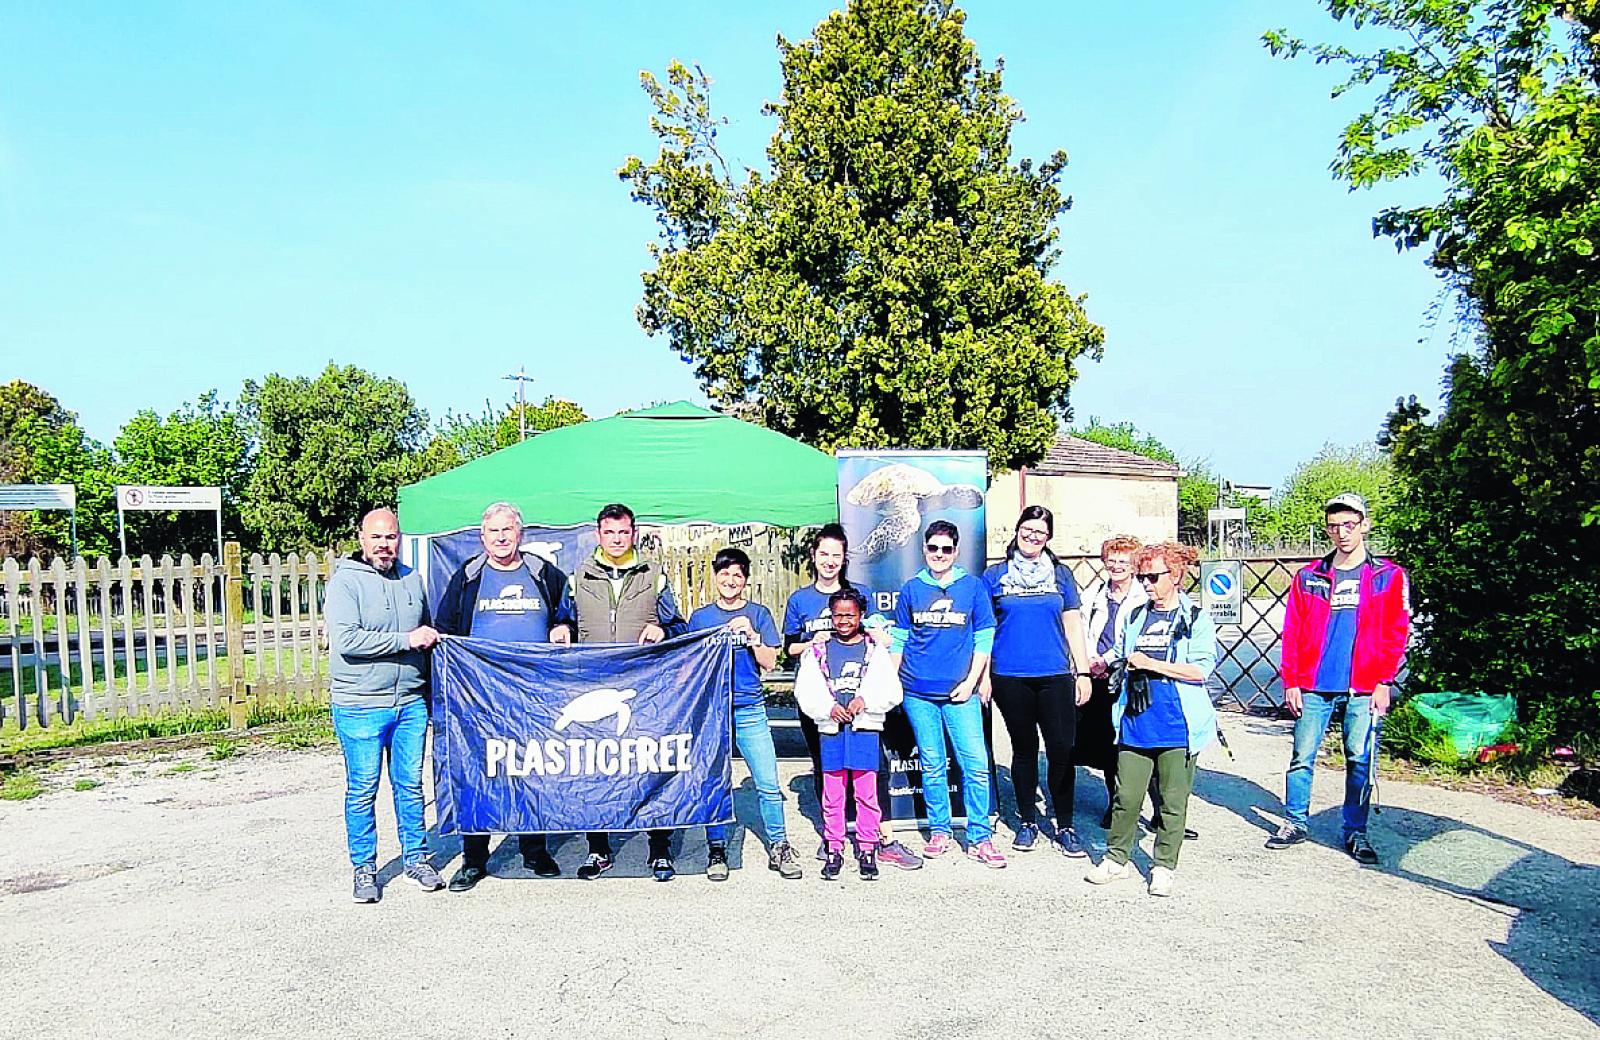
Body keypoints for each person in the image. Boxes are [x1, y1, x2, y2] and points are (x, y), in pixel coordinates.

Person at [434, 501, 575, 891]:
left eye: (507, 530)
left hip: (533, 693)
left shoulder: (543, 573)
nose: (500, 537)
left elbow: (567, 615)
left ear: (520, 534)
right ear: (483, 537)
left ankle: (535, 850)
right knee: (479, 771)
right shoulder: (467, 576)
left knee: (533, 770)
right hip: (480, 696)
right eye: (493, 531)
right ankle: (474, 858)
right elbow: (445, 630)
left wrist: (563, 626)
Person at [1267, 492, 1410, 865]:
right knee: (1302, 756)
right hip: (1315, 684)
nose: (1342, 533)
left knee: (1360, 760)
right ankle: (1295, 822)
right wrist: (1291, 681)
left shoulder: (1387, 576)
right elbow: (1293, 629)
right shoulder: (1309, 575)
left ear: (1364, 525)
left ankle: (1355, 831)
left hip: (1363, 686)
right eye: (1334, 526)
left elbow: (1397, 632)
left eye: (1349, 525)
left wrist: (1384, 681)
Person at [780, 522, 923, 871]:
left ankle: (877, 839)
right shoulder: (800, 600)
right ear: (814, 556)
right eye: (824, 553)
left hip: (862, 712)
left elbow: (877, 640)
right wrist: (812, 646)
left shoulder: (859, 594)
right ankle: (834, 839)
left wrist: (866, 697)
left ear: (844, 559)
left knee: (872, 773)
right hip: (822, 704)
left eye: (836, 555)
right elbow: (789, 648)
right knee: (827, 772)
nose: (830, 560)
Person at [324, 507, 444, 903]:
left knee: (409, 786)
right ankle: (364, 868)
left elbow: (428, 636)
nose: (384, 545)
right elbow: (348, 641)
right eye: (376, 537)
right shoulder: (345, 583)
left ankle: (417, 858)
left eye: (390, 537)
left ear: (399, 539)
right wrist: (405, 640)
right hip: (360, 704)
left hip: (409, 703)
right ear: (361, 538)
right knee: (362, 789)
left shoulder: (412, 579)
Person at [1085, 541, 1216, 897]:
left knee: (1172, 803)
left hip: (1177, 722)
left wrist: (1153, 664)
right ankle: (1116, 859)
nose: (1145, 583)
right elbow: (1124, 653)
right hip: (1135, 719)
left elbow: (1202, 669)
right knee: (1126, 797)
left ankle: (1163, 866)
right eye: (1142, 576)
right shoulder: (1136, 615)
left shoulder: (1194, 617)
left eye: (1153, 577)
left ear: (1174, 576)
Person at [565, 503, 687, 881]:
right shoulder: (578, 576)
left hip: (644, 688)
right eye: (610, 532)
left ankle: (659, 848)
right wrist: (560, 627)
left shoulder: (654, 575)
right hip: (591, 686)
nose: (617, 539)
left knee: (649, 766)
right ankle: (598, 849)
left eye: (624, 532)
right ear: (598, 534)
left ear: (633, 533)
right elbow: (563, 619)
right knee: (594, 768)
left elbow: (679, 625)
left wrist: (663, 631)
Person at [981, 506, 1094, 856]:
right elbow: (984, 631)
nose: (1032, 536)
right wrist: (984, 676)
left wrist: (1084, 671)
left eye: (1040, 532)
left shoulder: (1060, 575)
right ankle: (1028, 821)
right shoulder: (995, 575)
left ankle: (1065, 824)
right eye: (1027, 529)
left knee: (1061, 750)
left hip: (1056, 675)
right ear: (1016, 531)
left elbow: (1073, 623)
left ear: (1048, 538)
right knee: (1024, 749)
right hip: (1010, 676)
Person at [890, 520, 1004, 868]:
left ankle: (980, 836)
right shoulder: (911, 589)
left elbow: (984, 637)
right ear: (924, 550)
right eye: (933, 548)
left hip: (961, 692)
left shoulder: (972, 587)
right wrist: (892, 683)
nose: (939, 555)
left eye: (946, 549)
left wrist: (972, 681)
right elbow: (899, 640)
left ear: (956, 551)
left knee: (976, 766)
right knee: (933, 765)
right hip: (918, 692)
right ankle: (940, 831)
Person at [687, 548, 801, 881]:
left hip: (750, 708)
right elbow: (688, 665)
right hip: (713, 711)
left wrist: (751, 636)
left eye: (737, 575)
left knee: (767, 782)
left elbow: (769, 662)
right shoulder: (701, 618)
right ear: (716, 577)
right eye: (725, 574)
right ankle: (717, 848)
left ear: (745, 580)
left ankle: (779, 845)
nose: (730, 580)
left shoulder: (759, 613)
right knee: (714, 783)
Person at [793, 588, 904, 881]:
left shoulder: (873, 650)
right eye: (838, 615)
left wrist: (864, 701)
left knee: (867, 793)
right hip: (831, 731)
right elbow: (805, 690)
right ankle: (834, 847)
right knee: (833, 794)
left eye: (850, 615)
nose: (843, 620)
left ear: (861, 616)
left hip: (864, 730)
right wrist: (827, 708)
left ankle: (868, 847)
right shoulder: (818, 651)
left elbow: (892, 690)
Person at [1079, 535, 1145, 828]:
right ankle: (1116, 804)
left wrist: (1106, 659)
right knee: (1107, 745)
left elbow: (1136, 637)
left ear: (1134, 566)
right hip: (1097, 677)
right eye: (1112, 560)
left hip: (1130, 676)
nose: (1117, 566)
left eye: (1124, 561)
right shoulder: (1093, 594)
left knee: (1140, 743)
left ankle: (1158, 813)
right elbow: (1080, 627)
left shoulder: (1144, 596)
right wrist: (1090, 659)